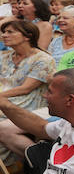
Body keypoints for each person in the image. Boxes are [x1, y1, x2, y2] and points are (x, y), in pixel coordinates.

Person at [0, 19, 57, 161]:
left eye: (10, 32)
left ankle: (33, 165)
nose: (4, 35)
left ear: (28, 36)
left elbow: (26, 89)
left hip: (27, 103)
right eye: (4, 32)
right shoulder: (4, 56)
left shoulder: (43, 59)